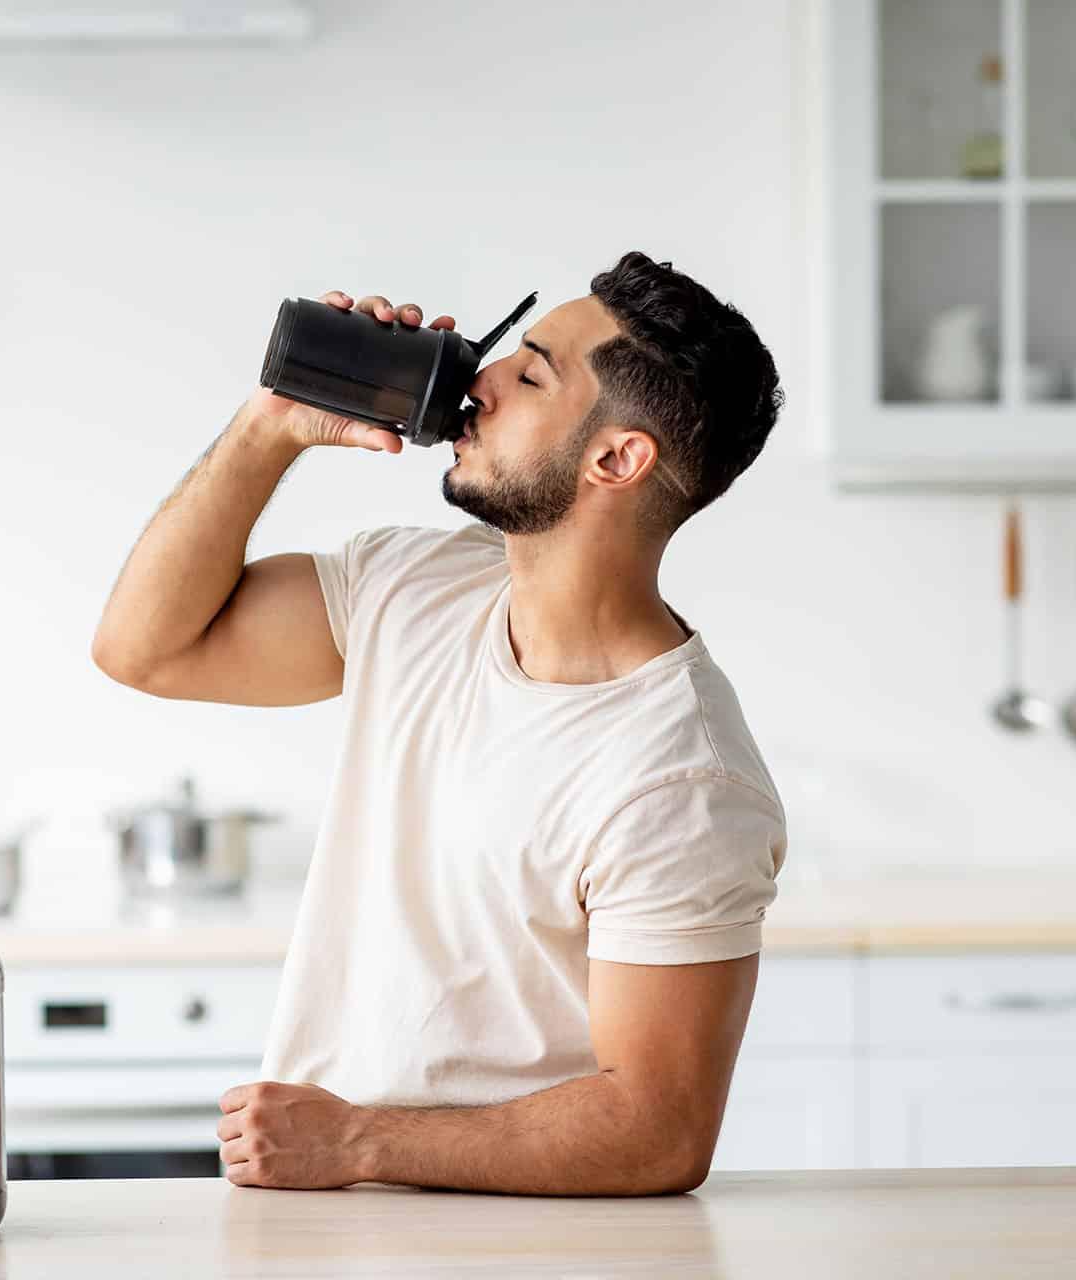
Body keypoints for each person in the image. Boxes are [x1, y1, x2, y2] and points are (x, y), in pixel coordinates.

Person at [93, 251, 787, 1195]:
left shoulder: (685, 781)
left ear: (616, 459)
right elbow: (147, 649)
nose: (481, 378)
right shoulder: (415, 589)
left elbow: (655, 1130)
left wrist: (358, 1143)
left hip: (522, 1251)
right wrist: (274, 425)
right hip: (329, 1227)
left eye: (531, 372)